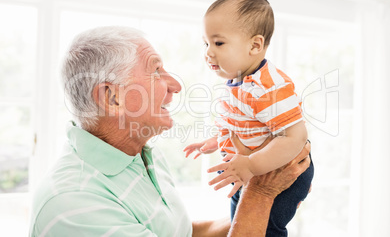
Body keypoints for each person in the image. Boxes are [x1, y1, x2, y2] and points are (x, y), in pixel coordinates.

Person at [29, 26, 311, 237]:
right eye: (156, 71)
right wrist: (260, 194)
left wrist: (272, 209)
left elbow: (180, 233)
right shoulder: (74, 204)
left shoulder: (141, 157)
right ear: (112, 98)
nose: (175, 84)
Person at [183, 0, 314, 236]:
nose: (208, 52)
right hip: (251, 169)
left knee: (267, 228)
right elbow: (244, 124)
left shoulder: (268, 86)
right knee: (239, 218)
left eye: (219, 43)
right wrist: (216, 141)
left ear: (255, 45)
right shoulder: (240, 81)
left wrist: (252, 165)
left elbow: (295, 136)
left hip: (278, 168)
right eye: (206, 43)